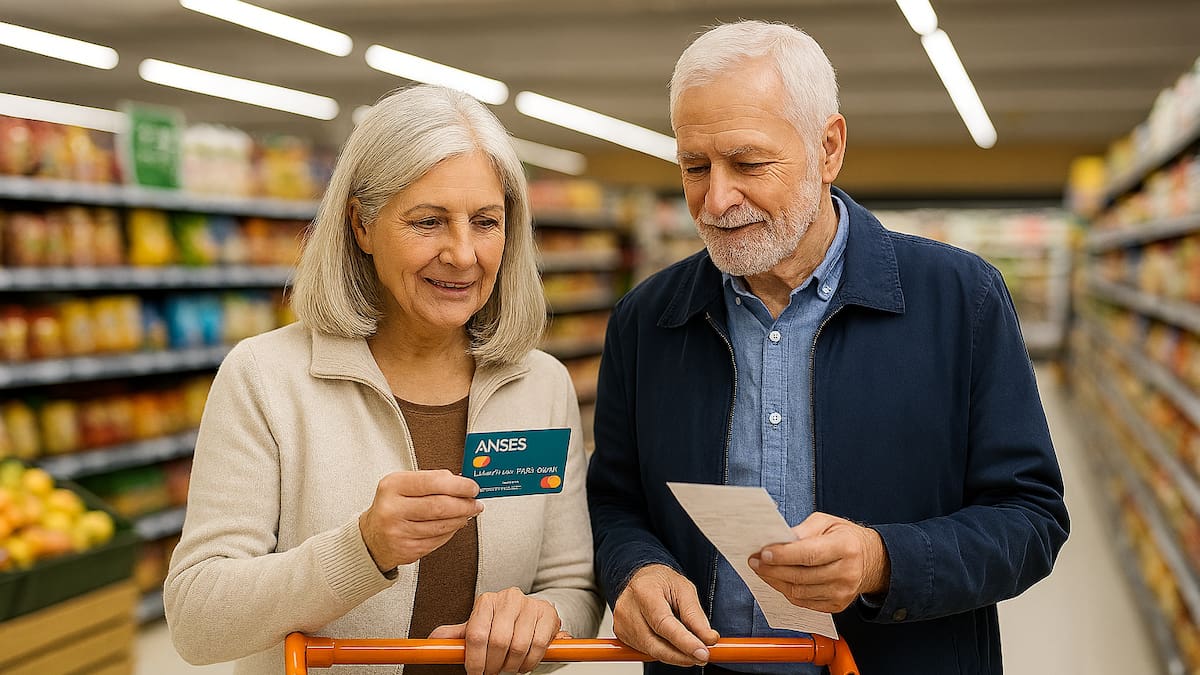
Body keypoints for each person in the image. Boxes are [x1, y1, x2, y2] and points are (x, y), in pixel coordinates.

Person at [587, 20, 1070, 675]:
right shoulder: (647, 321)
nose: (717, 198)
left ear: (829, 147)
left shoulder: (962, 300)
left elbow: (1031, 519)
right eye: (694, 166)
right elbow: (616, 501)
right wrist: (635, 567)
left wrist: (882, 559)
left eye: (748, 162)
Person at [165, 84, 602, 675]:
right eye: (428, 222)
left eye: (485, 222)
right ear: (362, 226)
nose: (463, 254)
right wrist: (362, 550)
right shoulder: (266, 378)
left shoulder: (540, 384)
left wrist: (542, 619)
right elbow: (197, 617)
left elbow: (571, 585)